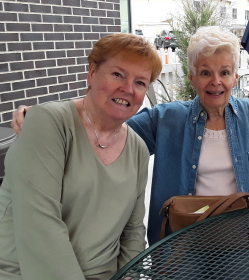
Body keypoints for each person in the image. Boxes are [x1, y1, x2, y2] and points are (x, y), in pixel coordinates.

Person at [11, 27, 249, 246]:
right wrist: (52, 115)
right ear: (192, 78)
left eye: (225, 72)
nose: (216, 81)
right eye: (205, 72)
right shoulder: (166, 118)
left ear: (235, 79)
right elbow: (108, 125)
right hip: (181, 236)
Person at [0, 33, 162, 279]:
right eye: (118, 74)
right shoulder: (49, 124)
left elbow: (132, 232)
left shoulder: (138, 149)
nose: (128, 89)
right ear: (92, 73)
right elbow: (39, 228)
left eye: (140, 83)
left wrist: (129, 275)